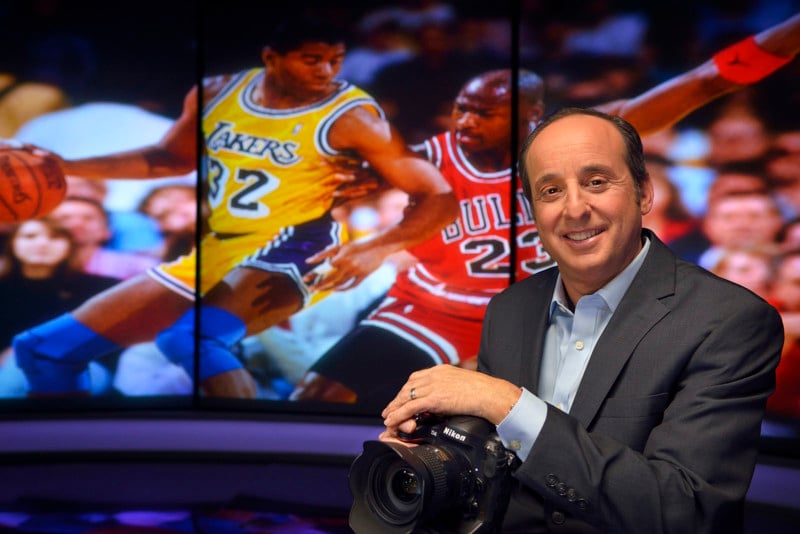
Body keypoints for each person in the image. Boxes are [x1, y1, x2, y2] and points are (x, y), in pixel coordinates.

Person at [292, 13, 800, 411]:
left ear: (532, 116)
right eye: (461, 109)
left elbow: (708, 80)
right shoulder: (424, 159)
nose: (463, 122)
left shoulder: (583, 140)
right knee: (317, 397)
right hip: (431, 307)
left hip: (537, 313)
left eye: (482, 113)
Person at [10, 15, 457, 398]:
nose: (326, 71)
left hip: (297, 246)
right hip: (219, 248)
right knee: (42, 350)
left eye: (335, 61)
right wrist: (69, 166)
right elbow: (169, 159)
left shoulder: (351, 116)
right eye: (311, 59)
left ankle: (255, 463)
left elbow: (438, 195)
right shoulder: (215, 93)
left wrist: (376, 246)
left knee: (192, 339)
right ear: (271, 58)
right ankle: (81, 471)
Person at [381, 107, 783, 533]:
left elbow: (684, 511)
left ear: (644, 193)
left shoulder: (729, 320)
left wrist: (504, 403)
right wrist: (428, 453)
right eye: (551, 191)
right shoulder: (510, 309)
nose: (575, 208)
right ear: (533, 211)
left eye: (596, 182)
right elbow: (495, 479)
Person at [0, 218, 118, 396]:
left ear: (70, 246)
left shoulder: (102, 289)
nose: (42, 243)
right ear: (12, 244)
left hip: (83, 368)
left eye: (55, 237)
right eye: (30, 236)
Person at [50, 196, 161, 280]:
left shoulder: (143, 268)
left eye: (88, 218)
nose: (77, 224)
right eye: (65, 218)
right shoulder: (37, 269)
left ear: (106, 231)